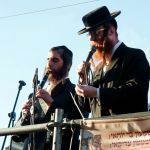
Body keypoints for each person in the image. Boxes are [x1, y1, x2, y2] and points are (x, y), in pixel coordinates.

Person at [75, 6, 150, 118]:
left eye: (95, 33)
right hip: (100, 133)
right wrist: (83, 81)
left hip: (127, 132)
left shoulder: (135, 56)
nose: (91, 39)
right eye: (89, 34)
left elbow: (136, 92)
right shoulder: (98, 68)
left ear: (111, 31)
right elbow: (87, 106)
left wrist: (97, 92)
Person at [12, 46, 85, 150]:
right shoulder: (34, 94)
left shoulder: (75, 91)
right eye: (48, 60)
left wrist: (51, 103)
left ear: (68, 65)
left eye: (55, 60)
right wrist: (24, 115)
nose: (49, 64)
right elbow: (20, 135)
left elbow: (78, 123)